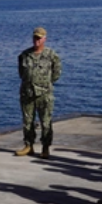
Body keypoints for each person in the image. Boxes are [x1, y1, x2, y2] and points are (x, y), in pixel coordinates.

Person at [15, 27, 62, 159]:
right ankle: (28, 145)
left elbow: (56, 73)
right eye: (35, 37)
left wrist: (45, 84)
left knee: (45, 122)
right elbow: (21, 73)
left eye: (39, 38)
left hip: (44, 93)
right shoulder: (24, 55)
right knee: (27, 121)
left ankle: (45, 147)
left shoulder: (51, 55)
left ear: (44, 39)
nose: (37, 40)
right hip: (27, 93)